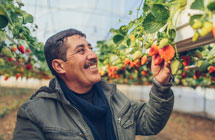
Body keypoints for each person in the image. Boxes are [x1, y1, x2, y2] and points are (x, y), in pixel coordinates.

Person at [13, 28, 174, 140]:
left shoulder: (114, 97)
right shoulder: (34, 114)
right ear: (59, 66)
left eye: (90, 48)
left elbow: (150, 123)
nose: (93, 55)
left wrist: (161, 84)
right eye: (81, 50)